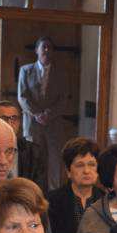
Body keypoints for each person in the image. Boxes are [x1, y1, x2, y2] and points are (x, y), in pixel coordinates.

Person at [17, 36, 74, 189]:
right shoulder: (25, 70)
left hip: (53, 125)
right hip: (32, 124)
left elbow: (63, 99)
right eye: (44, 47)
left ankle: (54, 194)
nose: (47, 50)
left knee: (55, 161)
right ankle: (30, 191)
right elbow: (22, 96)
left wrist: (49, 114)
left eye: (50, 47)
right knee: (32, 160)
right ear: (37, 50)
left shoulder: (62, 73)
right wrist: (37, 114)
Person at [46, 137, 102, 233]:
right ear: (68, 171)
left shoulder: (106, 200)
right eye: (80, 165)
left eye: (91, 165)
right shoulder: (51, 201)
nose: (86, 171)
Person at [0, 99, 50, 194]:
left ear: (19, 122)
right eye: (4, 119)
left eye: (14, 118)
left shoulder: (34, 152)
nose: (9, 123)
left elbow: (40, 190)